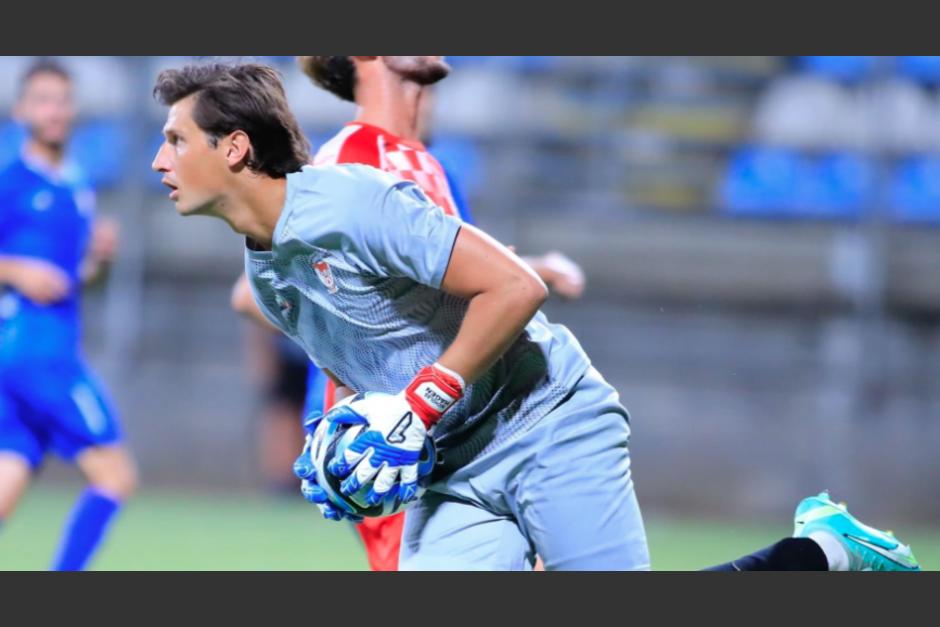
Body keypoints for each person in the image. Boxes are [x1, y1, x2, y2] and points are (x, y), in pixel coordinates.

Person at [153, 62, 919, 571]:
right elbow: (366, 353)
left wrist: (414, 406)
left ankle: (823, 551)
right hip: (452, 467)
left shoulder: (349, 195)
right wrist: (346, 438)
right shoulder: (265, 267)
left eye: (174, 140)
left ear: (236, 149)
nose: (158, 161)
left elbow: (515, 289)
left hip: (546, 420)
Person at [230, 56, 585, 570]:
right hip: (390, 434)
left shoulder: (429, 165)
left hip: (456, 427)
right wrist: (360, 344)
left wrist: (528, 269)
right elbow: (251, 292)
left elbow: (442, 285)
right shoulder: (348, 162)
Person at [0, 58, 137, 571]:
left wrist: (94, 260)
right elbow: (23, 271)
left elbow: (66, 279)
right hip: (39, 355)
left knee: (8, 476)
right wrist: (14, 270)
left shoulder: (76, 184)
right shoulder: (12, 181)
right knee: (116, 477)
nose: (54, 110)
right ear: (20, 110)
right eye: (42, 99)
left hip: (29, 354)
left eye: (62, 99)